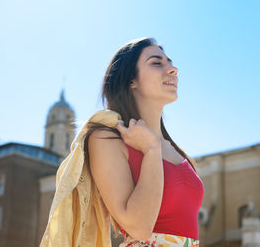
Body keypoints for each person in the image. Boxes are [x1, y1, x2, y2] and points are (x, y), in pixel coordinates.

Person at [85, 37, 204, 246]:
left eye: (170, 62)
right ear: (132, 80)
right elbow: (138, 227)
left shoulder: (177, 151)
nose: (172, 69)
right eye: (157, 63)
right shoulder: (106, 138)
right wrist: (150, 149)